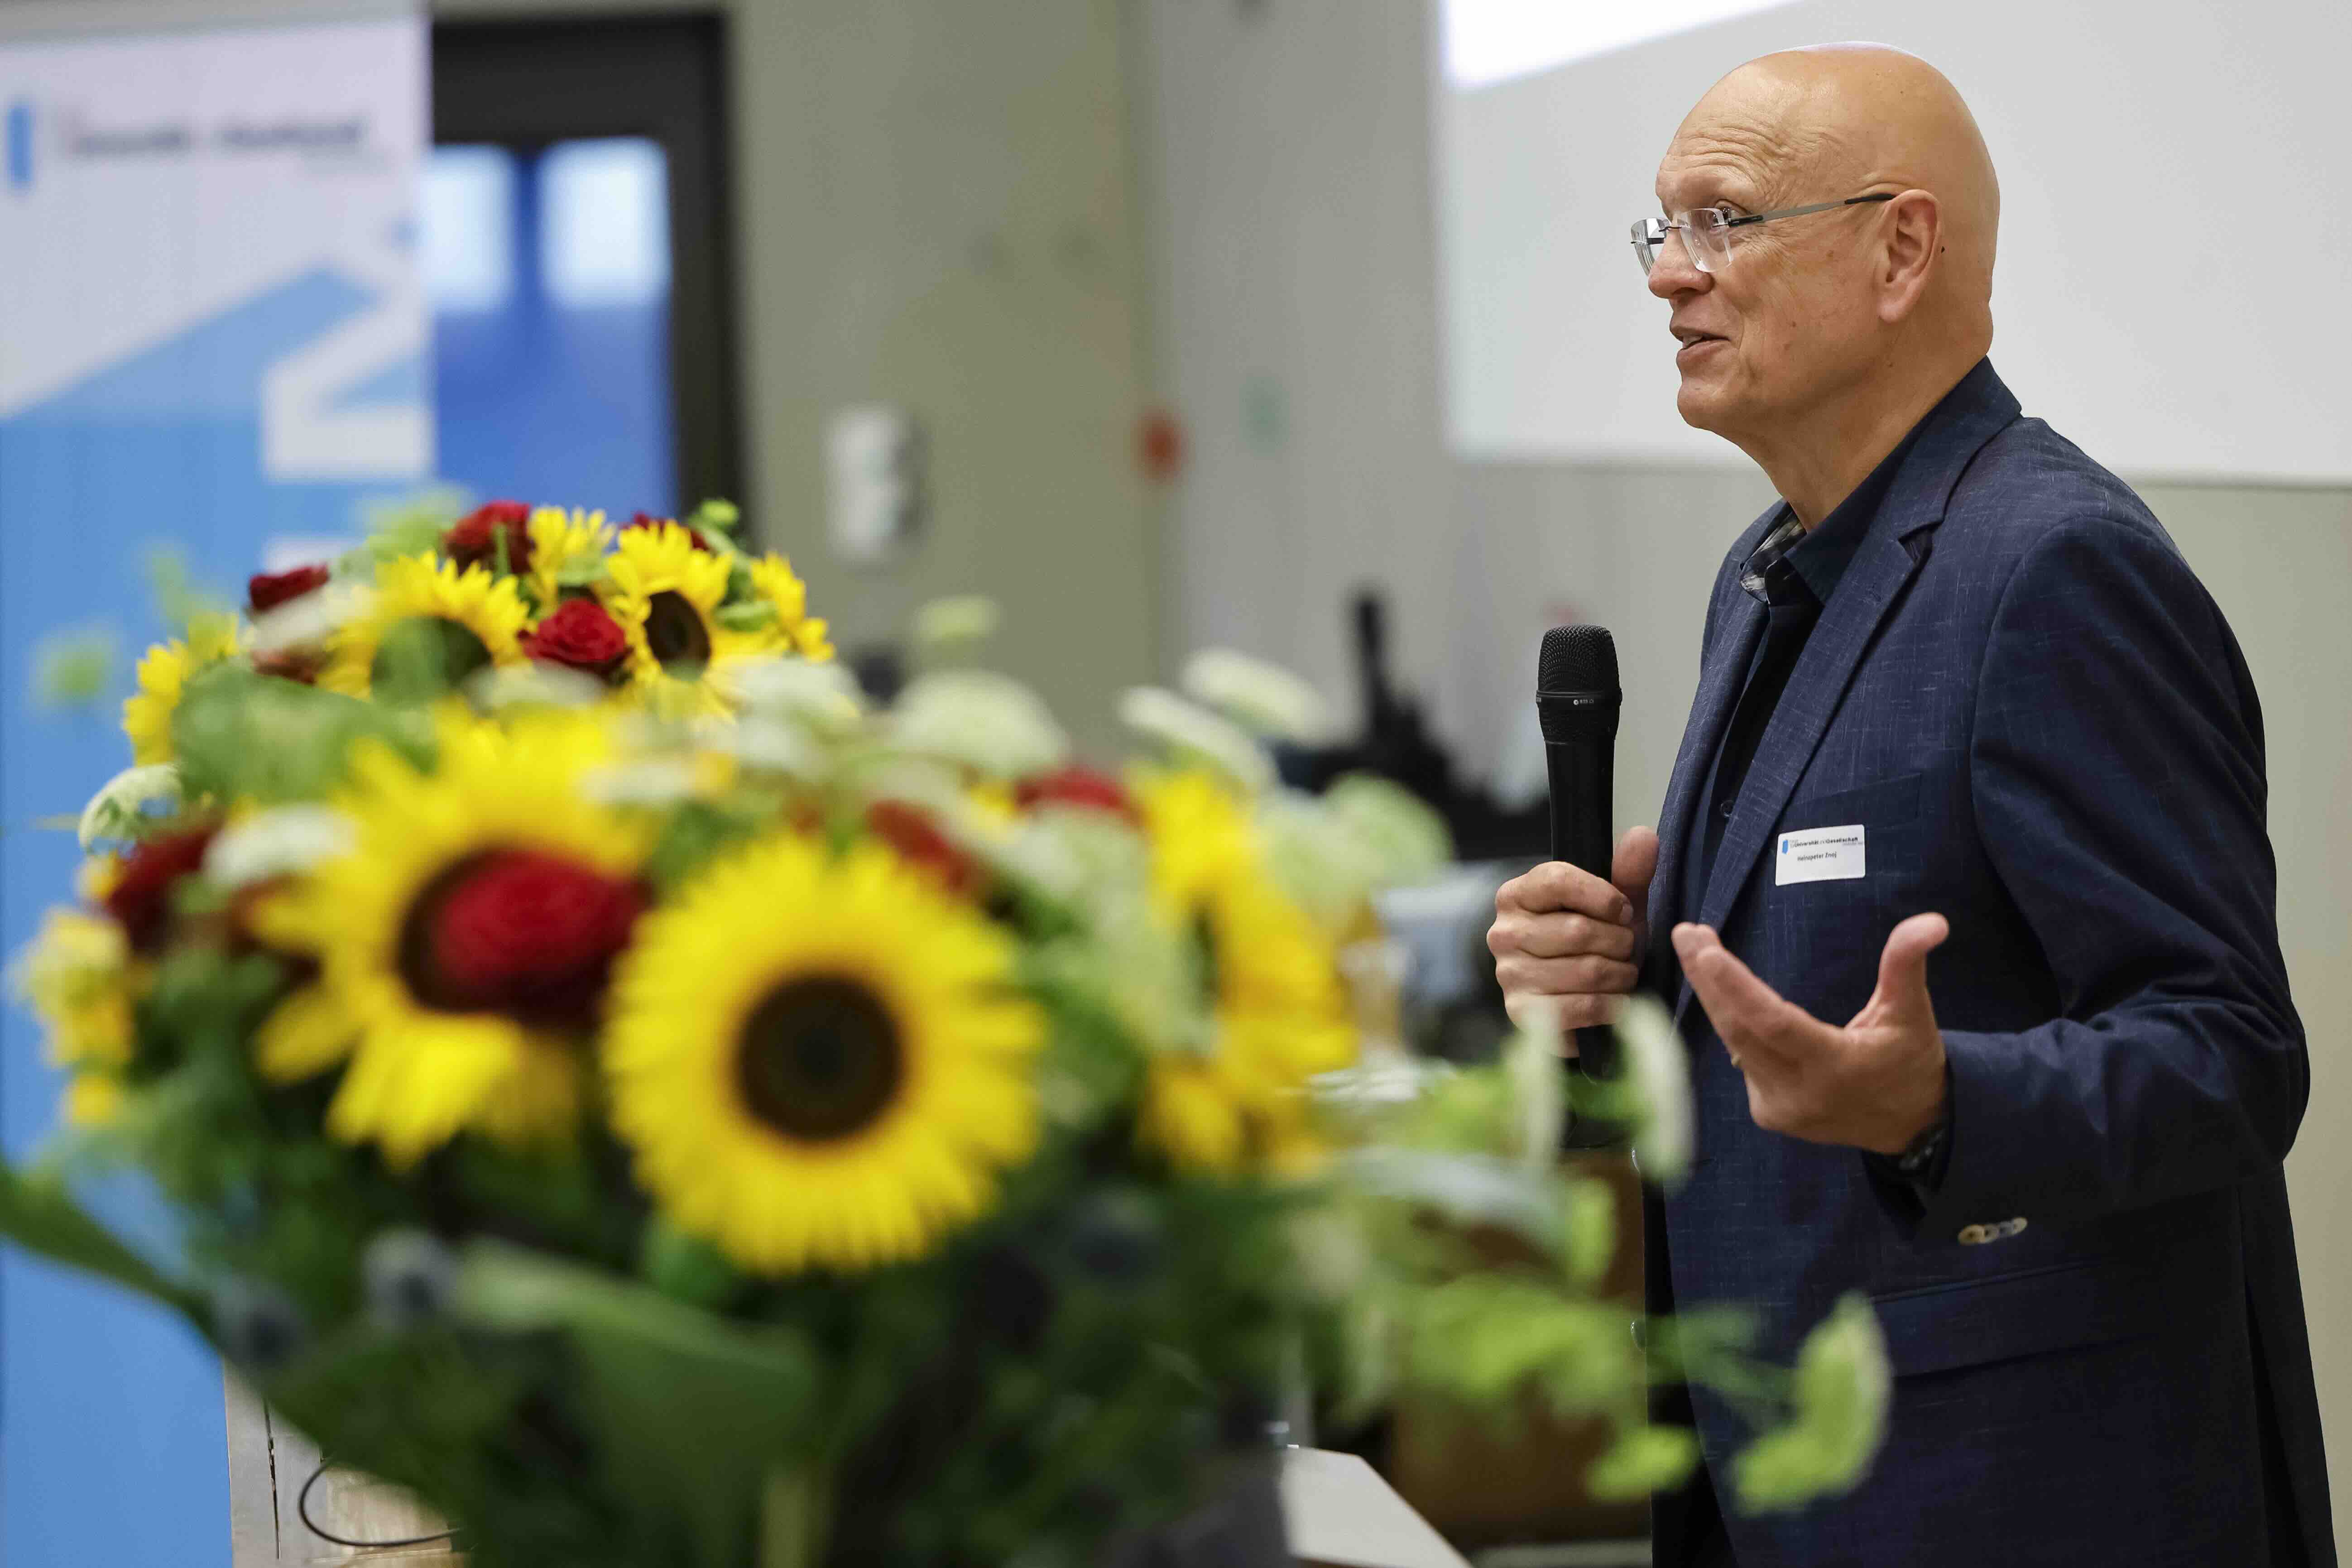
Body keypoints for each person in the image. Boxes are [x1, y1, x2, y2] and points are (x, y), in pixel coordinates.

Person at [1486, 43, 2333, 1568]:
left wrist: (1945, 1107)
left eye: (1723, 222)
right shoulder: (1766, 577)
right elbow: (1778, 1052)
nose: (1670, 277)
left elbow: (2229, 1056)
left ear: (1899, 249)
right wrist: (1597, 1003)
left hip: (2022, 1503)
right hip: (1786, 1483)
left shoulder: (2052, 569)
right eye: (1658, 229)